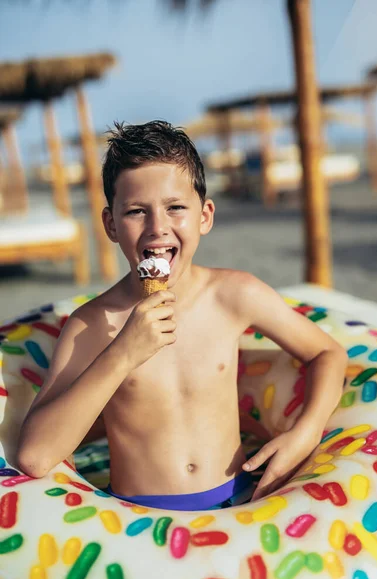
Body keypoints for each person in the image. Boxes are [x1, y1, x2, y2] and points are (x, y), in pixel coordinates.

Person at [17, 121, 348, 510]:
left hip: (238, 501)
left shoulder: (234, 295)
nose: (158, 228)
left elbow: (328, 354)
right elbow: (35, 456)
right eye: (137, 211)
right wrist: (123, 353)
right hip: (138, 517)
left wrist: (304, 434)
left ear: (204, 216)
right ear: (110, 224)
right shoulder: (92, 323)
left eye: (176, 208)